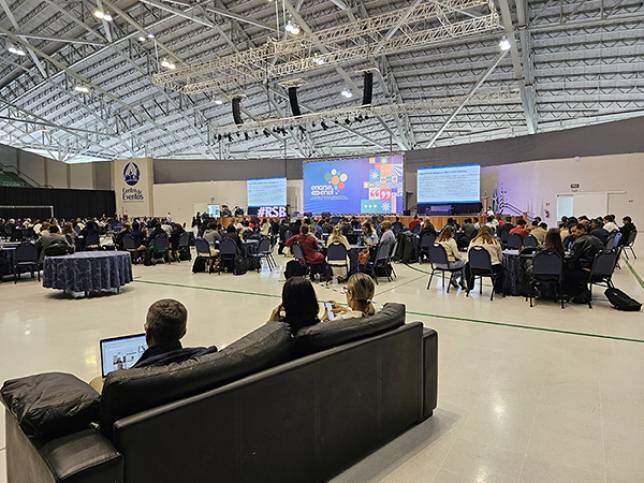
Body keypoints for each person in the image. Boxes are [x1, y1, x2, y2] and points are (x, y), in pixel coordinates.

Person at [90, 299, 216, 392]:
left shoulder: (123, 382)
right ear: (184, 332)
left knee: (96, 382)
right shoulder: (206, 357)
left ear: (147, 331)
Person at [564, 223, 604, 301]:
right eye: (572, 232)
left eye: (574, 231)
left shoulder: (580, 241)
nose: (572, 234)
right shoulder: (596, 239)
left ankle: (569, 293)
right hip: (598, 270)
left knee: (564, 269)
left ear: (582, 230)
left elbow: (572, 258)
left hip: (586, 270)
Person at [467, 225, 504, 292]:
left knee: (467, 265)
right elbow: (500, 257)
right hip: (490, 269)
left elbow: (468, 255)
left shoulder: (473, 241)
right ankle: (498, 289)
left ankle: (470, 286)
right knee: (501, 268)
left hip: (475, 268)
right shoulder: (494, 241)